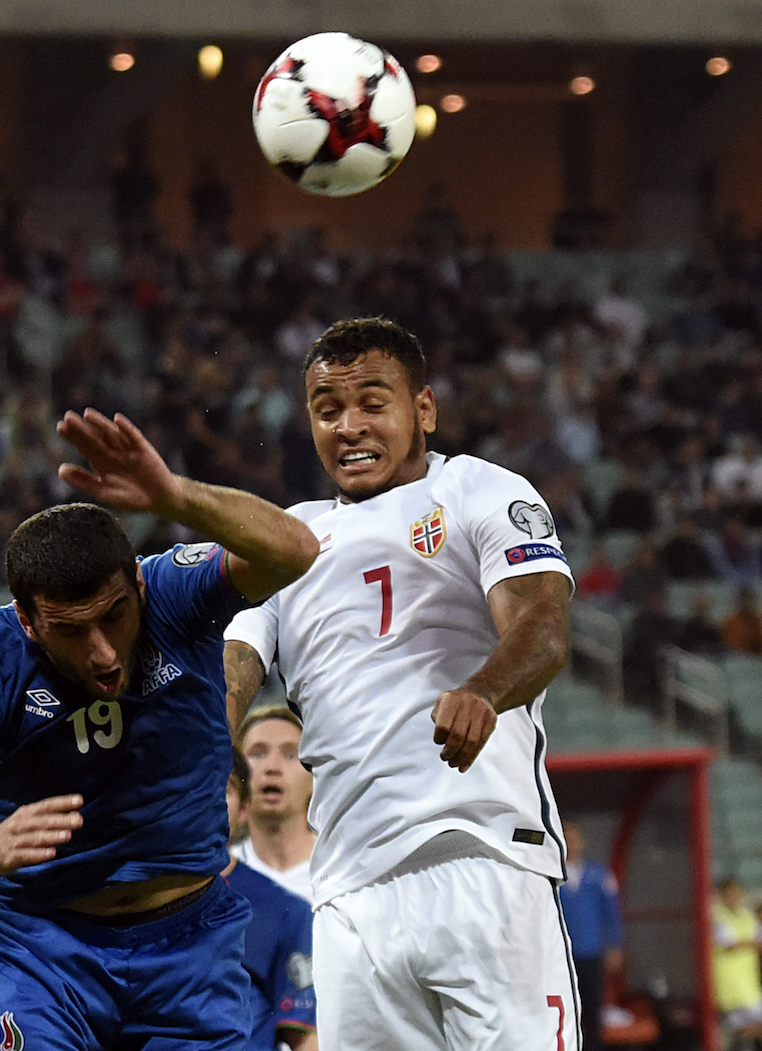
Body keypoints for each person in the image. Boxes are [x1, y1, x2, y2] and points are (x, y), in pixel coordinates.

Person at [0, 408, 319, 1050]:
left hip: (191, 944)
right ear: (27, 620)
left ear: (135, 585)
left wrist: (176, 496)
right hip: (39, 948)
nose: (102, 652)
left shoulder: (173, 593)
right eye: (72, 630)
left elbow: (295, 548)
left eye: (114, 617)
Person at [223, 318, 576, 1051]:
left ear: (424, 410)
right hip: (350, 899)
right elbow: (231, 668)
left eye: (372, 403)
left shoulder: (476, 486)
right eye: (327, 410)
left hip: (482, 857)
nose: (349, 427)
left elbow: (542, 622)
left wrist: (483, 688)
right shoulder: (291, 537)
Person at [224, 749, 317, 1051]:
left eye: (222, 789)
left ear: (244, 808)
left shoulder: (284, 912)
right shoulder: (129, 900)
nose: (207, 800)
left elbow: (304, 1040)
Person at [232, 707, 315, 902]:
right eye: (257, 754)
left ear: (313, 775)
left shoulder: (341, 868)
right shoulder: (222, 875)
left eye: (290, 755)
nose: (272, 767)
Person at [558, 822, 624, 1051]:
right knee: (567, 1008)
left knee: (593, 1006)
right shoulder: (551, 876)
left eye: (575, 839)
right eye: (566, 839)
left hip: (591, 951)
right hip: (561, 955)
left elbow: (611, 913)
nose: (571, 845)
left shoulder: (598, 875)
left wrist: (615, 945)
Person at [713, 878, 762, 1051]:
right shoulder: (716, 915)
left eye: (737, 893)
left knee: (760, 1028)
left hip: (749, 983)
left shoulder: (747, 915)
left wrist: (743, 943)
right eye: (729, 894)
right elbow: (729, 944)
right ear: (722, 895)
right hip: (728, 984)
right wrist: (750, 943)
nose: (734, 898)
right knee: (741, 1029)